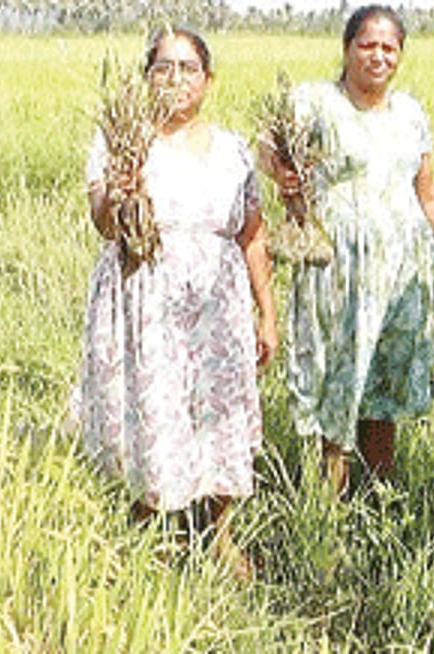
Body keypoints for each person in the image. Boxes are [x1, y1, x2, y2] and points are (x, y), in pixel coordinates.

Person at [78, 27, 277, 580]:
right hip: (146, 301)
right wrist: (120, 191)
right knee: (153, 405)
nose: (175, 78)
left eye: (188, 68)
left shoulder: (235, 151)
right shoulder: (122, 142)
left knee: (218, 413)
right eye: (163, 67)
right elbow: (102, 223)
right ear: (146, 79)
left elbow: (253, 236)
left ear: (209, 80)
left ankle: (218, 533)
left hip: (218, 305)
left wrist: (267, 313)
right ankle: (150, 534)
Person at [262, 5, 434, 495]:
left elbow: (429, 196)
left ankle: (379, 502)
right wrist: (282, 175)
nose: (378, 56)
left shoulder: (410, 114)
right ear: (347, 48)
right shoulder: (315, 102)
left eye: (389, 47)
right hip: (339, 271)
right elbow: (267, 148)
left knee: (384, 393)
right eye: (368, 45)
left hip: (403, 276)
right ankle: (325, 514)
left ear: (400, 55)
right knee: (337, 385)